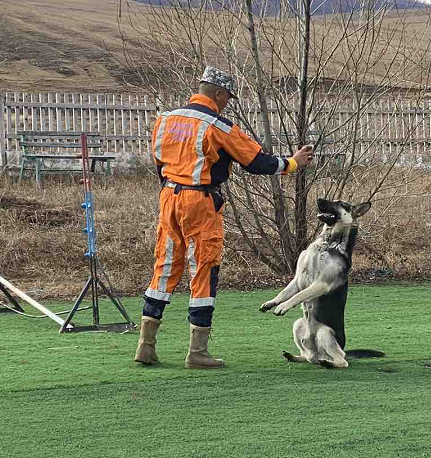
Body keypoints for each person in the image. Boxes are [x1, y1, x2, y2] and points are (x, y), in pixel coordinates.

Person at [134, 66, 315, 368]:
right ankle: (197, 352)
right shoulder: (217, 125)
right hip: (200, 201)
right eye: (227, 97)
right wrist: (293, 163)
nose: (227, 102)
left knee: (164, 267)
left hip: (168, 196)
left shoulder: (165, 119)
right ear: (218, 94)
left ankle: (146, 345)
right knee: (204, 268)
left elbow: (158, 161)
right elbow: (256, 162)